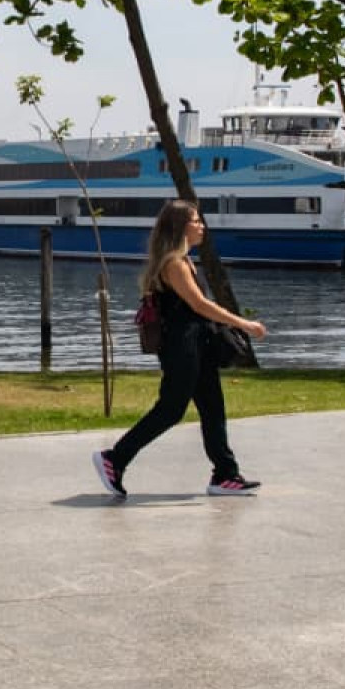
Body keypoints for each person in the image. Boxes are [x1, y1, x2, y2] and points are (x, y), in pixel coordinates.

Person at [93, 199, 268, 499]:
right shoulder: (173, 264)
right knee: (171, 409)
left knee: (213, 408)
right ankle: (115, 458)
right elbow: (199, 305)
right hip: (182, 346)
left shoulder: (184, 261)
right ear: (180, 226)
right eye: (196, 220)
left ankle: (226, 475)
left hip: (199, 344)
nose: (202, 226)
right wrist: (244, 324)